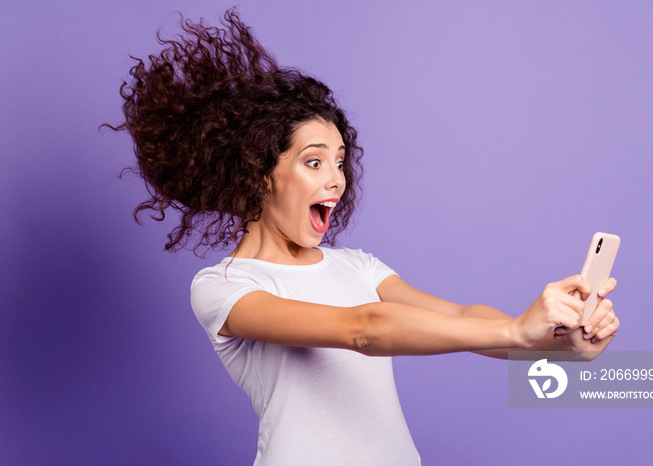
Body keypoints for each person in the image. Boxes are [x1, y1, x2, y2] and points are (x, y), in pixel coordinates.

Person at [111, 8, 619, 465]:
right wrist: (516, 332)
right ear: (259, 173)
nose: (336, 178)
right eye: (313, 161)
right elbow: (363, 329)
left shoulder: (357, 266)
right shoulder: (223, 286)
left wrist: (557, 344)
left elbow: (460, 319)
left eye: (339, 161)